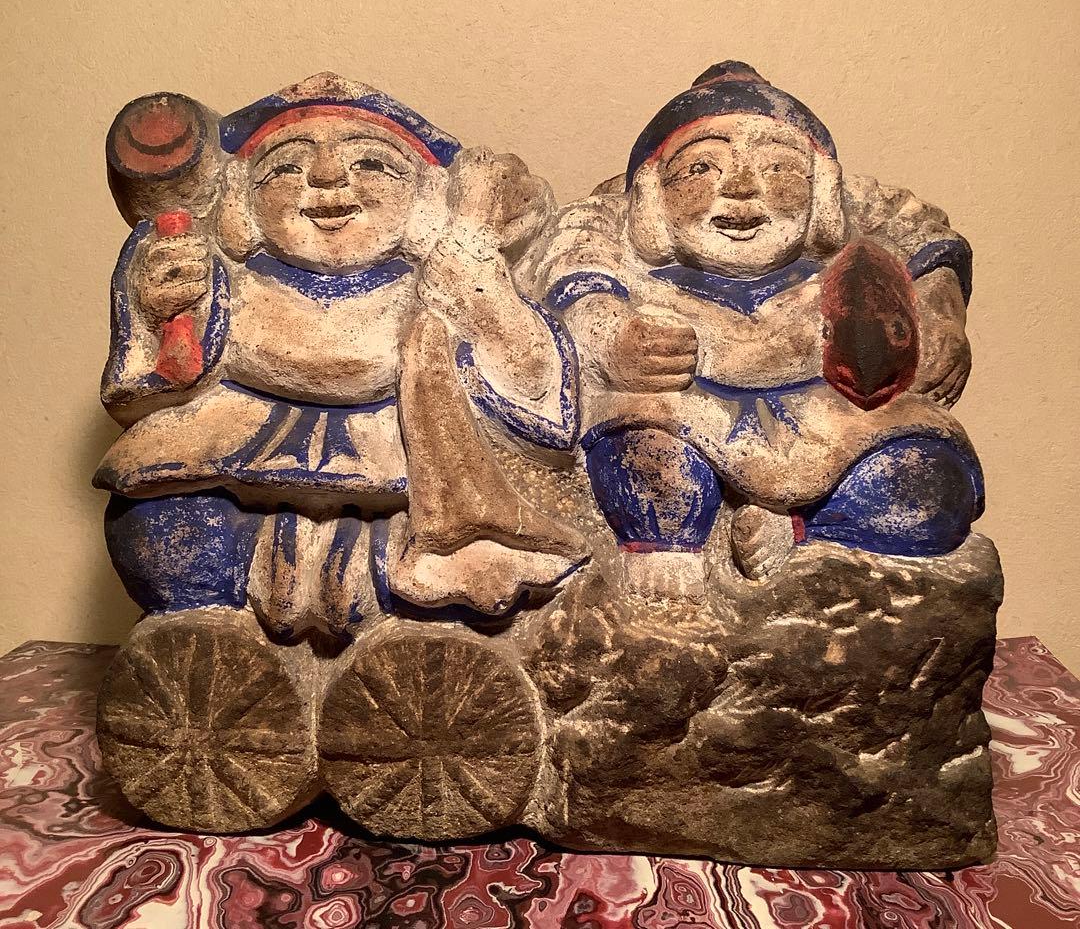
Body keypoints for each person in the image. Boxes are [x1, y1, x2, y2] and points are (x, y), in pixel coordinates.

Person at [96, 72, 585, 634]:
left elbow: (539, 396)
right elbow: (158, 379)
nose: (327, 178)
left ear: (426, 197)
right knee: (153, 524)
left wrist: (479, 281)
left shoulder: (440, 283)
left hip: (393, 474)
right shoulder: (224, 279)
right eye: (285, 167)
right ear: (241, 201)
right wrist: (162, 310)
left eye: (372, 163)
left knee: (448, 564)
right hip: (235, 455)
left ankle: (400, 622)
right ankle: (206, 621)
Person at [538, 61, 982, 598]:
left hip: (835, 418)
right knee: (648, 465)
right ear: (652, 194)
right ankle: (669, 548)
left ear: (822, 189)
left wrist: (939, 308)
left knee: (931, 487)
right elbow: (576, 251)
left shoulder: (843, 225)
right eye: (701, 168)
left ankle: (801, 531)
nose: (743, 189)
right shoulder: (613, 223)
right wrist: (609, 336)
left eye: (779, 168)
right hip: (687, 411)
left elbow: (916, 225)